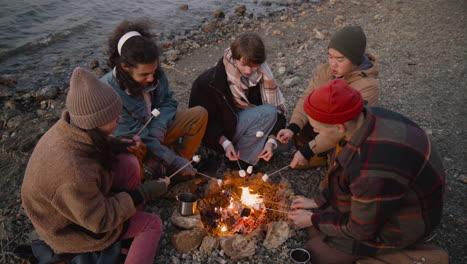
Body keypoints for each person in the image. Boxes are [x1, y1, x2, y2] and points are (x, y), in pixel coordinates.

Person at [21, 68, 171, 263]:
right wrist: (143, 193)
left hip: (79, 205)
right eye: (113, 117)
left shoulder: (70, 126)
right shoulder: (73, 173)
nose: (119, 118)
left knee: (127, 162)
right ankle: (128, 233)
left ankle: (127, 223)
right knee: (152, 225)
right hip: (71, 230)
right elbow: (99, 221)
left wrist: (117, 143)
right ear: (95, 122)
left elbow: (86, 145)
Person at [288, 79, 446, 263]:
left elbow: (361, 229)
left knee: (316, 251)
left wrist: (313, 220)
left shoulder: (369, 167)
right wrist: (318, 201)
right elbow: (343, 175)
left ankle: (414, 256)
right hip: (389, 194)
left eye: (317, 129)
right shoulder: (368, 116)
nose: (316, 132)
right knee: (319, 226)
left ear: (339, 128)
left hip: (408, 219)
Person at [101, 20, 208, 181]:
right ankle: (146, 183)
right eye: (144, 75)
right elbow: (136, 136)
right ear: (125, 67)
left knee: (199, 114)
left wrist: (159, 126)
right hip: (137, 142)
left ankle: (180, 169)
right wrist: (172, 158)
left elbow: (169, 102)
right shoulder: (109, 91)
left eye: (154, 71)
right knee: (133, 149)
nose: (151, 78)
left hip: (159, 132)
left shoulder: (154, 72)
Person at [277, 25, 379, 169]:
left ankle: (329, 158)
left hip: (342, 131)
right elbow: (307, 98)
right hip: (324, 126)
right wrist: (293, 127)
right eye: (330, 56)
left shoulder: (368, 86)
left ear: (355, 61)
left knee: (345, 155)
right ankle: (319, 152)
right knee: (300, 135)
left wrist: (307, 152)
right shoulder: (326, 70)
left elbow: (346, 128)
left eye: (340, 59)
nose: (332, 63)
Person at [189, 32, 287, 166]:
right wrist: (225, 142)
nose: (248, 70)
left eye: (254, 65)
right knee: (270, 114)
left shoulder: (262, 76)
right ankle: (236, 160)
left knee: (283, 141)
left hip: (243, 125)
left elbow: (278, 113)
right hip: (218, 134)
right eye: (244, 64)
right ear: (235, 58)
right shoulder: (209, 82)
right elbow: (203, 122)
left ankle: (243, 158)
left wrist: (271, 141)